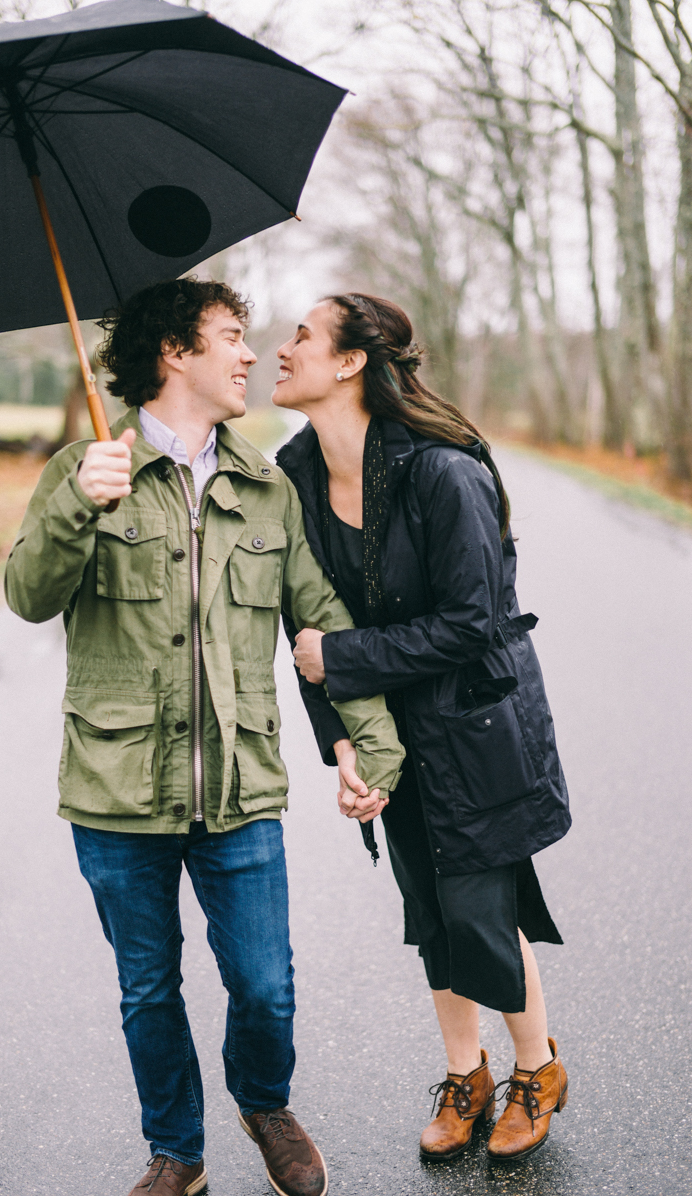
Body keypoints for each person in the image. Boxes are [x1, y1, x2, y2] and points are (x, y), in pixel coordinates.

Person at [4, 278, 404, 1196]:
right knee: (149, 992)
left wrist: (366, 747)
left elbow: (322, 619)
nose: (251, 353)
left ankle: (265, 1104)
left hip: (240, 789)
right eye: (231, 335)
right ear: (176, 351)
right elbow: (28, 596)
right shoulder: (85, 469)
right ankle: (176, 1153)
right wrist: (79, 505)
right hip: (115, 792)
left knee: (264, 986)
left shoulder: (266, 488)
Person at [272, 292, 571, 1164]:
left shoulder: (444, 471)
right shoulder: (293, 477)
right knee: (431, 911)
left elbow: (472, 623)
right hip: (390, 733)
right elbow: (306, 629)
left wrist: (347, 663)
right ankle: (465, 1076)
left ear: (351, 361)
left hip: (475, 725)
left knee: (482, 907)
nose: (282, 350)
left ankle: (535, 1070)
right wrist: (342, 744)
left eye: (301, 336)